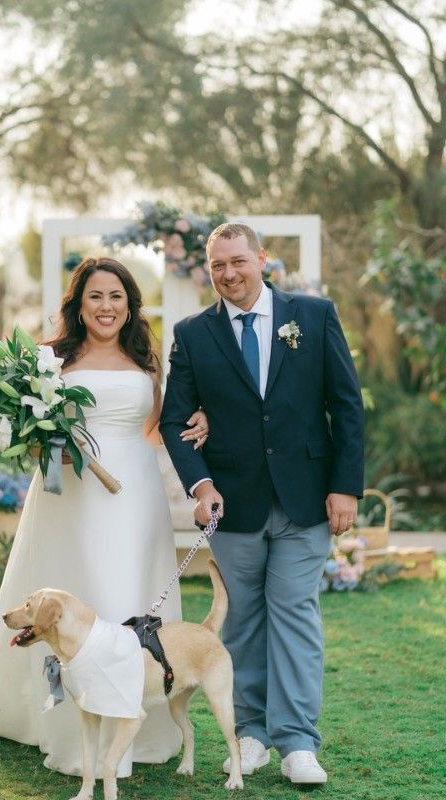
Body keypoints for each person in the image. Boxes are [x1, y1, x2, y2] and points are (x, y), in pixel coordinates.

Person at [0, 257, 209, 778]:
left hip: (135, 496)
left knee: (131, 597)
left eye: (116, 296)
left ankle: (131, 720)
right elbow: (30, 432)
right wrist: (44, 444)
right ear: (79, 303)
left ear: (130, 305)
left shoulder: (146, 359)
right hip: (71, 495)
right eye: (96, 296)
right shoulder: (50, 360)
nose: (106, 306)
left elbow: (155, 428)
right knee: (82, 589)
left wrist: (200, 418)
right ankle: (60, 720)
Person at [159, 222, 364, 785]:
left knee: (295, 612)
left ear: (262, 259)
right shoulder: (193, 334)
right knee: (243, 620)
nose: (229, 274)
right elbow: (175, 420)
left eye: (238, 262)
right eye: (218, 265)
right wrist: (201, 486)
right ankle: (250, 735)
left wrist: (345, 486)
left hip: (307, 498)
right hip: (232, 504)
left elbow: (346, 405)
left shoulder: (314, 317)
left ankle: (297, 742)